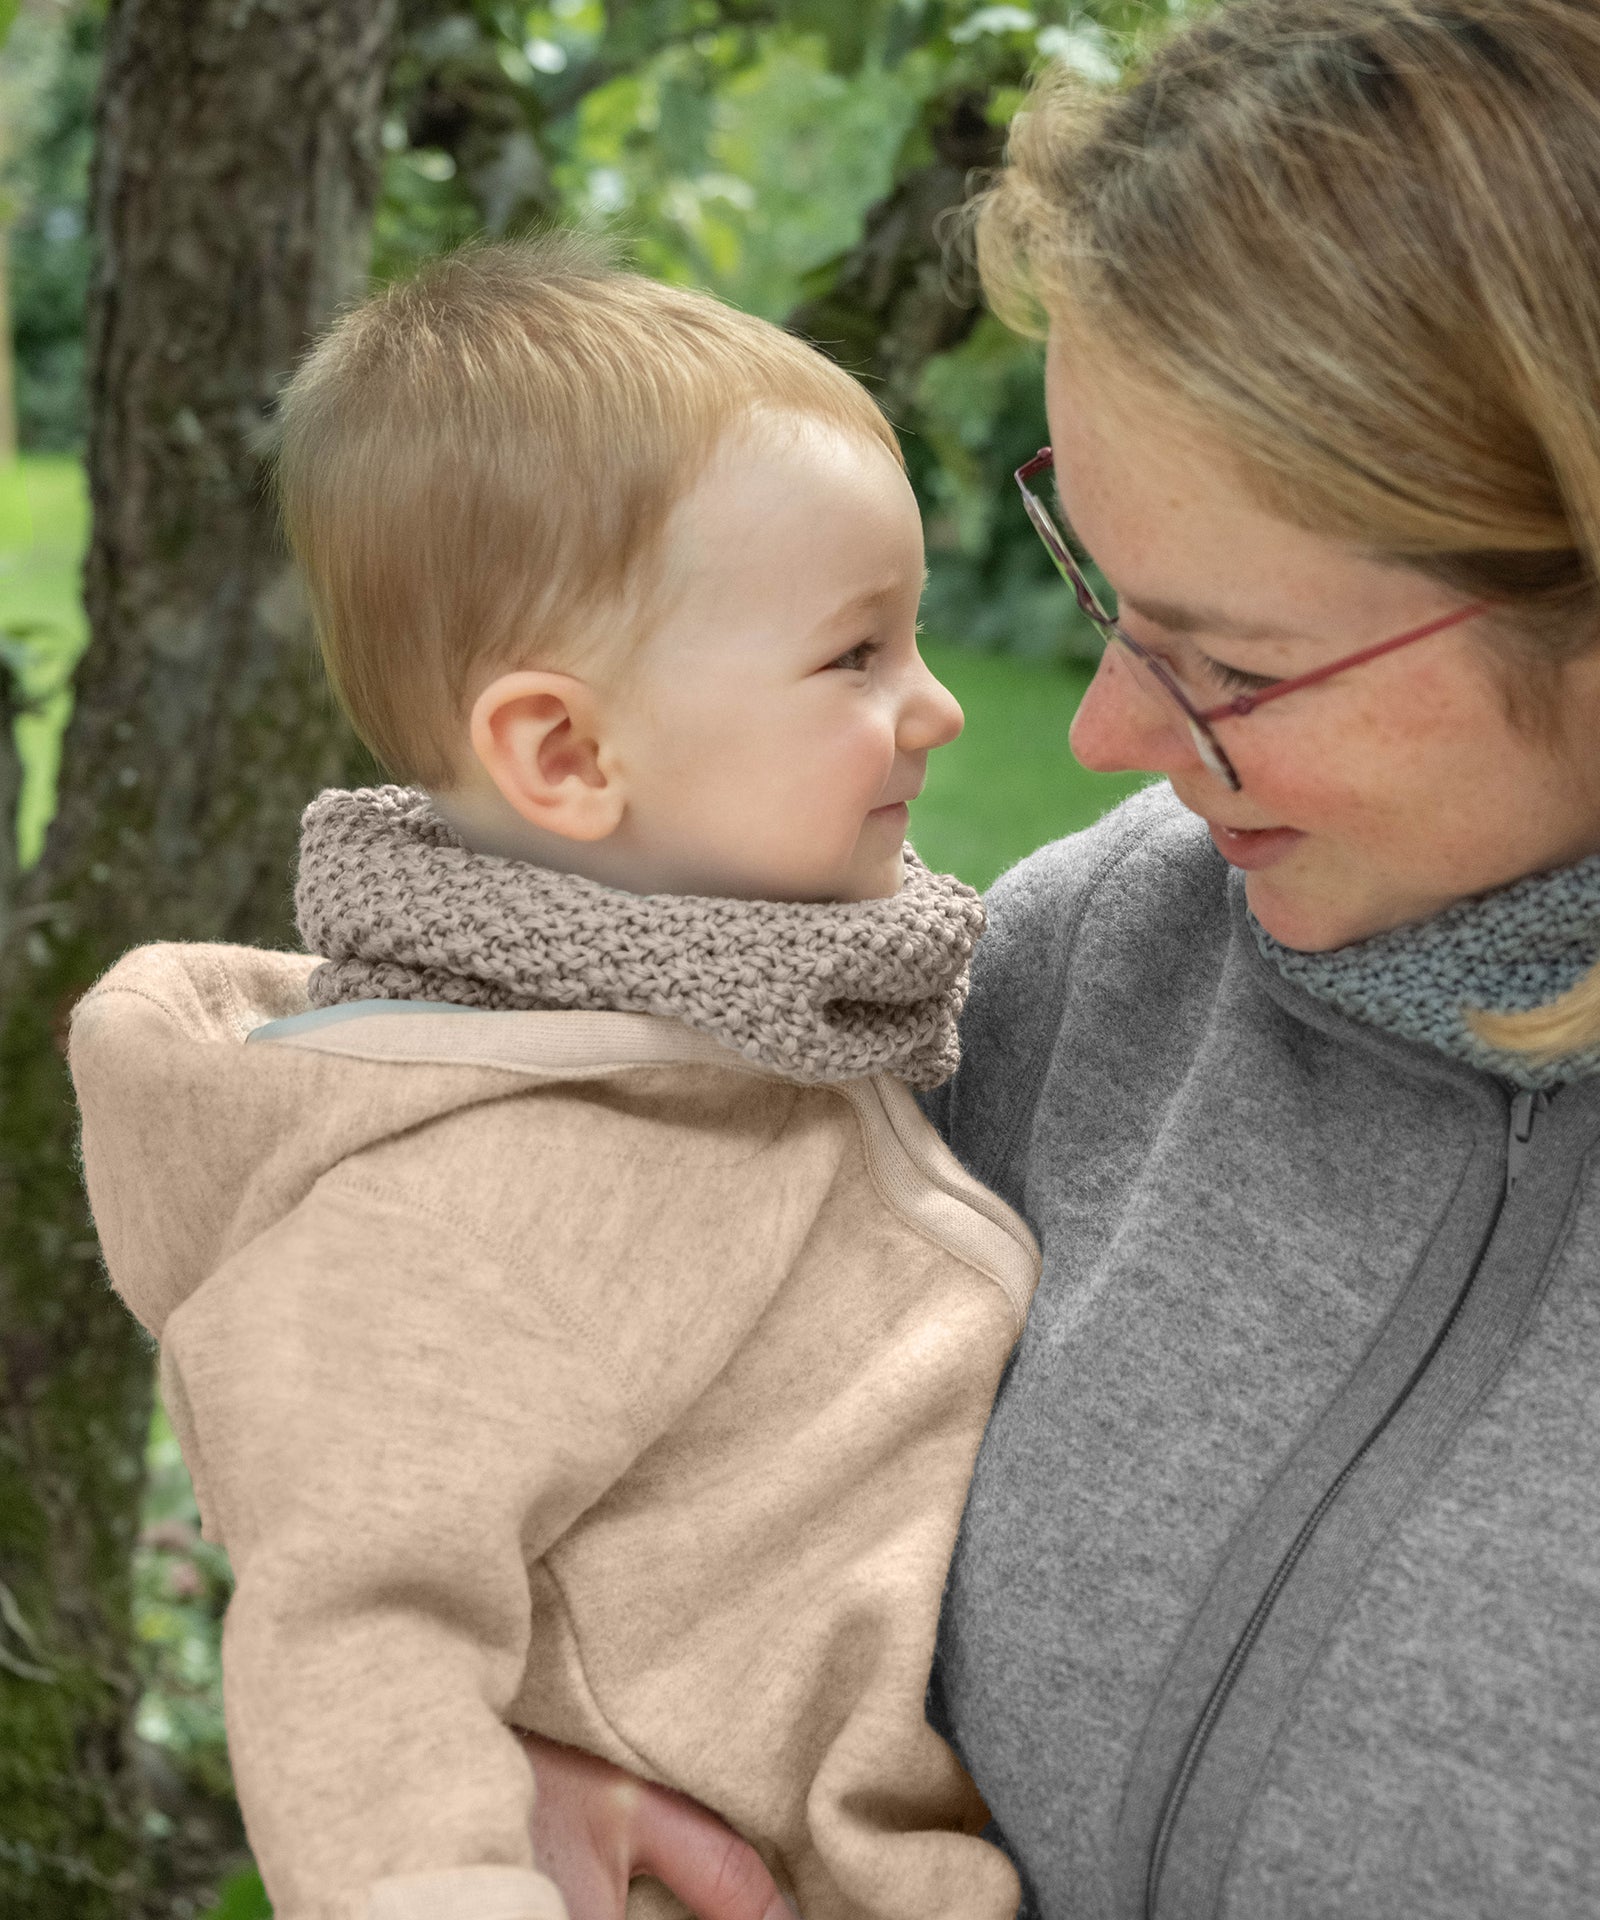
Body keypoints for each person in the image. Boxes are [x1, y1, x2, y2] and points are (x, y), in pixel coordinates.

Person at [510, 1, 1600, 1915]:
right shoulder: (1096, 960)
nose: (1104, 735)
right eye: (1104, 590)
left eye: (1231, 665)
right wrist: (555, 1738)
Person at [67, 240, 1043, 1920]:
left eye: (918, 638)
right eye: (856, 657)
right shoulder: (461, 1186)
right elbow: (353, 1623)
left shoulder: (761, 1022)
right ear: (568, 754)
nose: (938, 707)